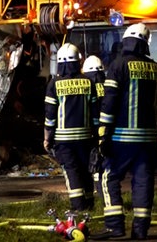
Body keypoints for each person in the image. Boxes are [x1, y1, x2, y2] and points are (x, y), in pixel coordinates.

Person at [91, 23, 157, 240]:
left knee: (107, 177)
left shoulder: (118, 65)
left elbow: (109, 102)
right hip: (148, 140)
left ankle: (115, 226)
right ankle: (140, 229)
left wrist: (103, 134)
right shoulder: (155, 69)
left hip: (122, 137)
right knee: (143, 181)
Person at [44, 43, 99, 211]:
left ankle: (78, 206)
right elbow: (95, 114)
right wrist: (97, 136)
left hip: (64, 140)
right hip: (86, 137)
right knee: (85, 169)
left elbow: (50, 116)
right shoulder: (88, 83)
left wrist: (47, 138)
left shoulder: (54, 84)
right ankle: (89, 203)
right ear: (78, 62)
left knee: (71, 171)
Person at [82, 55, 106, 197]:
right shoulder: (109, 84)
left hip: (91, 130)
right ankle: (103, 193)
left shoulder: (86, 86)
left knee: (92, 162)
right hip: (109, 130)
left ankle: (94, 194)